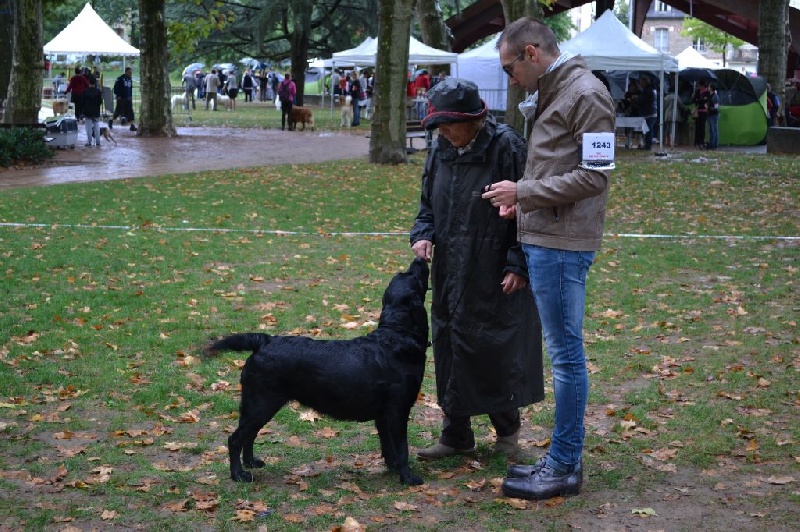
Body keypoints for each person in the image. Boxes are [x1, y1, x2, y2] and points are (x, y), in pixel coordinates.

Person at [482, 16, 615, 501]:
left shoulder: (587, 94)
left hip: (562, 244)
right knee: (563, 355)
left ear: (532, 53)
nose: (511, 79)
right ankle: (562, 459)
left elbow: (595, 176)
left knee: (566, 358)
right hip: (545, 235)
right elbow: (556, 166)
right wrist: (524, 201)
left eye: (510, 69)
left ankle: (563, 465)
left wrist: (524, 192)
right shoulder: (556, 91)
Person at [410, 78, 544, 462]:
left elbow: (531, 208)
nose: (443, 132)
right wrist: (423, 233)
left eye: (449, 124)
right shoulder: (440, 149)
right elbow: (427, 203)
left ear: (473, 119)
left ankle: (507, 433)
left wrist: (519, 262)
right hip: (450, 267)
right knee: (450, 346)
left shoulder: (507, 146)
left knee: (494, 349)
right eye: (438, 125)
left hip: (495, 268)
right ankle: (455, 435)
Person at [111, 67, 136, 131]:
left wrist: (130, 96)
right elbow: (116, 87)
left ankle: (132, 126)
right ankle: (111, 121)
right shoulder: (120, 79)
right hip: (121, 98)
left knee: (130, 112)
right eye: (129, 72)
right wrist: (118, 95)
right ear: (126, 72)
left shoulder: (130, 79)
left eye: (131, 73)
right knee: (118, 111)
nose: (130, 74)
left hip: (128, 98)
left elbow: (130, 88)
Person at [637, 76, 658, 151]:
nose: (641, 83)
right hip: (651, 112)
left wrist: (637, 99)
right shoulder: (652, 89)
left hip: (649, 113)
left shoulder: (648, 91)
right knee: (648, 129)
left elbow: (643, 100)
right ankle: (647, 144)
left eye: (642, 82)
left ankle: (648, 145)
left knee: (649, 130)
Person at [82, 76, 103, 147]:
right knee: (97, 126)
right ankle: (98, 142)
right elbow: (100, 102)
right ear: (95, 83)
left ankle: (89, 142)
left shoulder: (85, 91)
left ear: (89, 82)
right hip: (96, 111)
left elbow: (83, 102)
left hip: (87, 112)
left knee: (88, 127)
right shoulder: (98, 91)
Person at [692, 80, 710, 149]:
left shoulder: (707, 92)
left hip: (704, 112)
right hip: (697, 111)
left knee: (702, 127)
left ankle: (701, 142)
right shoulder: (697, 91)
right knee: (697, 127)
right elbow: (694, 99)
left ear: (703, 86)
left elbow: (705, 100)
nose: (699, 87)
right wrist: (699, 100)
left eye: (700, 86)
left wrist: (699, 100)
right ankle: (696, 142)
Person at [706, 83, 720, 150]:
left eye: (709, 87)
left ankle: (715, 145)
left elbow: (716, 107)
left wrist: (708, 108)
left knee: (714, 130)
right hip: (709, 114)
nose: (708, 88)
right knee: (711, 130)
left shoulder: (715, 96)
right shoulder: (710, 95)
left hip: (714, 115)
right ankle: (711, 144)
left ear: (711, 88)